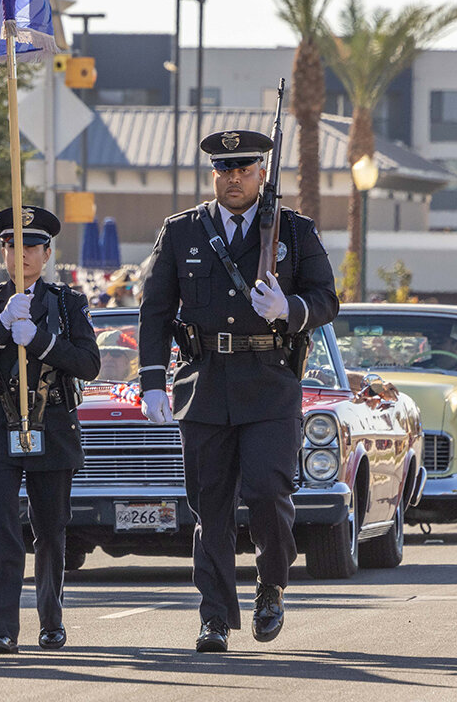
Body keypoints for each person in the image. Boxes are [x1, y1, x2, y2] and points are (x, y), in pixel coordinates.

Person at [137, 129, 338, 652]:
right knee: (210, 506)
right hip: (203, 383)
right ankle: (214, 616)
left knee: (268, 492)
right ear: (213, 174)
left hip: (270, 382)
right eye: (224, 169)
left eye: (244, 169)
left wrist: (290, 311)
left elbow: (326, 298)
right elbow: (155, 311)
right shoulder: (182, 231)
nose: (233, 178)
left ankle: (270, 584)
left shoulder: (293, 230)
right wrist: (153, 380)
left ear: (262, 174)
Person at [0, 206, 100, 654]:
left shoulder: (65, 302)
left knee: (51, 529)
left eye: (31, 247)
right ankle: (0, 627)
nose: (21, 256)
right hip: (0, 421)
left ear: (46, 252)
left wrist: (38, 340)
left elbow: (88, 364)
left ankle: (51, 620)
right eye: (11, 246)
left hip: (52, 421)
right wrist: (0, 329)